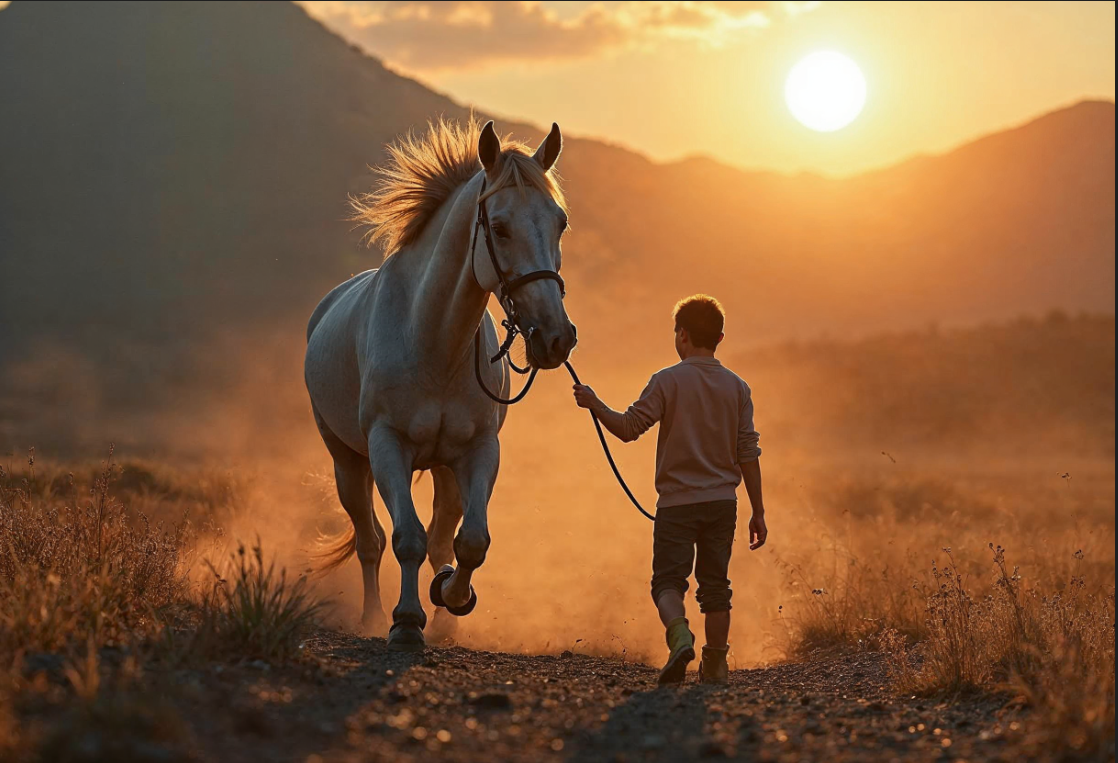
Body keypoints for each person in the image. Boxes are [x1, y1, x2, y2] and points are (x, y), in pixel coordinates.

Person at [572, 294, 767, 685]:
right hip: (722, 504)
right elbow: (748, 452)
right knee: (716, 588)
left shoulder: (667, 381)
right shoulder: (738, 388)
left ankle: (679, 634)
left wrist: (594, 404)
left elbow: (628, 429)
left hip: (676, 505)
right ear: (721, 337)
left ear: (682, 336)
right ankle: (715, 665)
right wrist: (757, 511)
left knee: (667, 583)